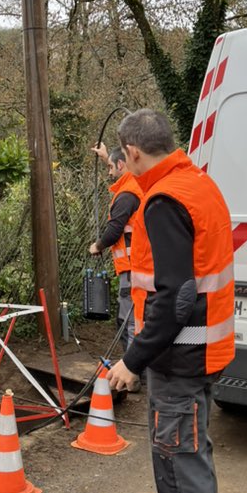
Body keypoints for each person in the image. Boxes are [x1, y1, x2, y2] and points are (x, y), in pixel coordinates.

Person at [106, 110, 235, 493]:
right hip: (203, 354)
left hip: (178, 361)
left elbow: (176, 297)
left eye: (122, 157)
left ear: (133, 153)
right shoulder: (199, 183)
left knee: (180, 470)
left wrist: (132, 362)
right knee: (193, 463)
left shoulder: (163, 201)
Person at [89, 143, 142, 382]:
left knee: (129, 322)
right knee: (132, 319)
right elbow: (120, 163)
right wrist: (105, 155)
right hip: (137, 267)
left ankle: (132, 375)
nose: (108, 172)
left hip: (132, 269)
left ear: (122, 165)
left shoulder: (127, 195)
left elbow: (114, 229)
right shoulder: (135, 183)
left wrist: (97, 246)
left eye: (111, 167)